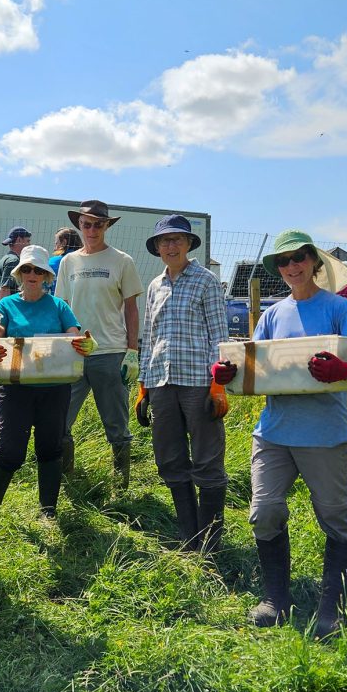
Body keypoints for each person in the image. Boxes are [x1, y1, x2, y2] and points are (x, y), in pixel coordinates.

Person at [243, 230, 347, 639]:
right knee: (264, 512)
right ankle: (275, 601)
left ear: (313, 262)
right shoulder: (271, 315)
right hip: (274, 432)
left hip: (325, 434)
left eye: (299, 258)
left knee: (335, 519)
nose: (291, 267)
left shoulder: (338, 308)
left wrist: (346, 371)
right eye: (283, 262)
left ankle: (332, 608)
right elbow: (254, 368)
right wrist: (229, 376)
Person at [0, 245, 90, 523]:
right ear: (19, 274)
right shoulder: (6, 305)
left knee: (50, 448)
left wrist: (86, 344)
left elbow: (74, 337)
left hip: (55, 387)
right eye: (26, 269)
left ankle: (47, 512)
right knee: (9, 450)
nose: (32, 274)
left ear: (46, 276)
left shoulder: (59, 306)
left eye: (38, 270)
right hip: (16, 387)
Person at [138, 215, 230, 553]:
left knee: (206, 461)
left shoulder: (205, 281)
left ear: (189, 245)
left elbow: (220, 336)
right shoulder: (154, 285)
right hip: (161, 382)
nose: (171, 246)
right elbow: (148, 337)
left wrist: (217, 385)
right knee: (170, 460)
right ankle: (190, 538)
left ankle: (211, 542)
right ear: (158, 248)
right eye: (165, 241)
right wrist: (143, 384)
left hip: (198, 383)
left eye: (178, 240)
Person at [54, 200, 142, 488]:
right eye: (86, 224)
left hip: (111, 352)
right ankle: (67, 479)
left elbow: (131, 308)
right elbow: (62, 307)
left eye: (98, 224)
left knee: (116, 423)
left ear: (107, 226)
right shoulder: (69, 262)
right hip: (75, 353)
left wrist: (132, 350)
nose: (92, 230)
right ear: (79, 225)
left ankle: (121, 485)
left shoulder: (121, 261)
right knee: (60, 421)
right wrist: (59, 346)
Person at [0, 227, 32, 301]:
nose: (29, 245)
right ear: (19, 240)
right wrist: (5, 311)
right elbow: (4, 289)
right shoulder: (13, 261)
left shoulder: (5, 259)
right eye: (28, 241)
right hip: (8, 310)